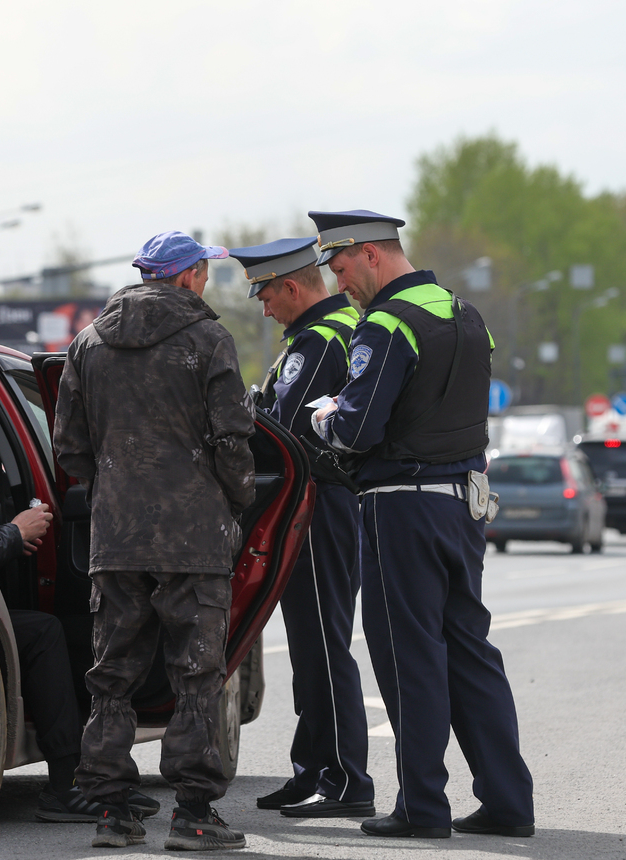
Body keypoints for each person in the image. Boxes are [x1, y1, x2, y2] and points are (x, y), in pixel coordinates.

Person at [308, 210, 534, 839]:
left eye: (342, 265)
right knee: (469, 650)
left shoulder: (385, 324)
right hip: (462, 503)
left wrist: (326, 414)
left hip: (400, 505)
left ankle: (422, 807)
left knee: (410, 659)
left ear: (371, 255)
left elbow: (356, 429)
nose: (339, 282)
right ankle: (509, 801)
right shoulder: (465, 314)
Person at [53, 231, 256, 850]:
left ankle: (112, 814)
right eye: (204, 271)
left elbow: (69, 448)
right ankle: (194, 815)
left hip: (116, 539)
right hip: (192, 539)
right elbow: (231, 437)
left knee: (111, 676)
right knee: (197, 675)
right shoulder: (207, 340)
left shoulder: (87, 344)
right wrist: (237, 497)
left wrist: (117, 491)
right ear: (189, 276)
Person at [0, 385, 160, 822]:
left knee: (78, 632)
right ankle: (66, 783)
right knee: (43, 632)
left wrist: (13, 529)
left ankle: (100, 777)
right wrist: (12, 534)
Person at [227, 237, 375, 819]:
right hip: (319, 504)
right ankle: (312, 768)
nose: (263, 307)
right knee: (312, 643)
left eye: (265, 294)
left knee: (322, 645)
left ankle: (344, 779)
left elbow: (283, 431)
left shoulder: (319, 342)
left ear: (290, 287)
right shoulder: (327, 333)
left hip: (317, 504)